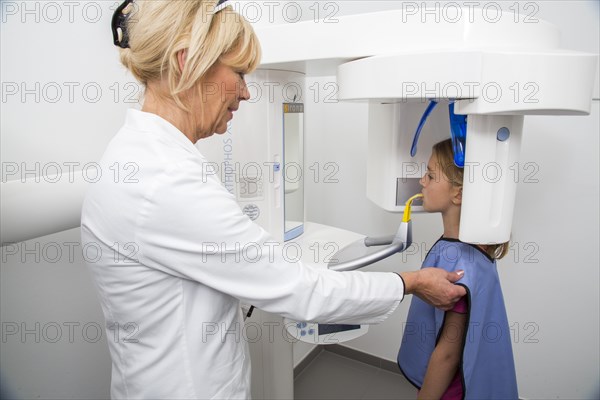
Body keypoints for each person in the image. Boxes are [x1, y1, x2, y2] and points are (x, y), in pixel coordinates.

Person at [82, 1, 466, 398]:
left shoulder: (135, 156)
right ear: (185, 63)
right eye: (240, 73)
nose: (247, 93)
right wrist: (411, 282)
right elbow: (302, 290)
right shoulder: (165, 180)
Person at [397, 138, 518, 399]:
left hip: (450, 390)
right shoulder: (461, 247)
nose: (422, 182)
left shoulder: (464, 268)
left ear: (459, 193)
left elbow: (448, 354)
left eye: (430, 175)